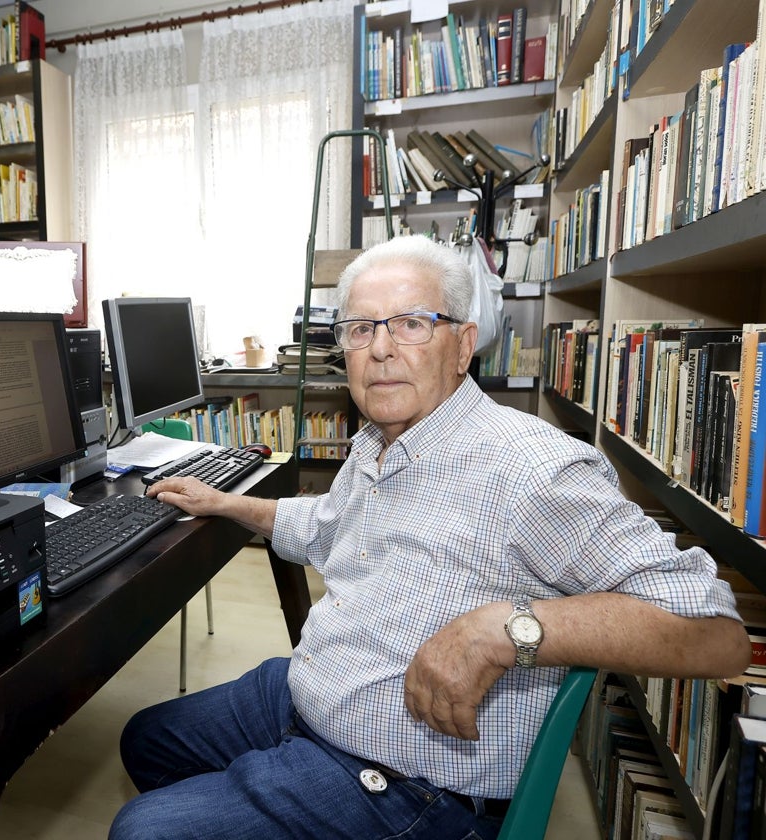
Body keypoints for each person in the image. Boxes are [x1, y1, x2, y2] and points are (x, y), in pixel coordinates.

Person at [109, 235, 750, 840]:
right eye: (361, 329)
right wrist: (227, 502)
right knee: (146, 738)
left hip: (407, 781)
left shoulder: (532, 468)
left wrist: (505, 629)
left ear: (463, 344)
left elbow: (714, 633)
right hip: (313, 692)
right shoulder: (378, 443)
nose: (381, 349)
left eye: (412, 323)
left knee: (142, 829)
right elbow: (326, 525)